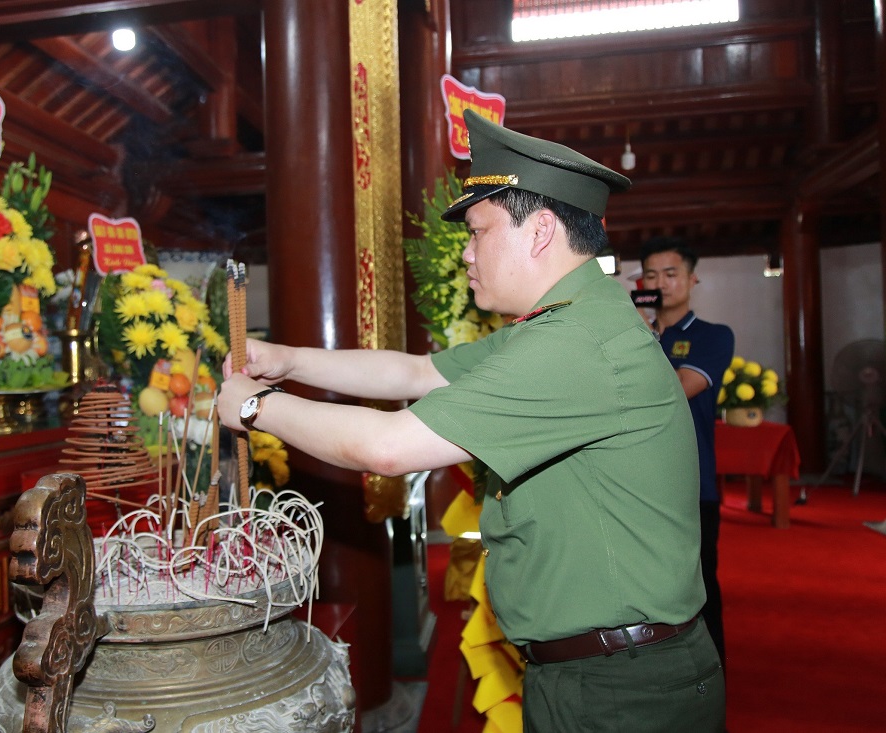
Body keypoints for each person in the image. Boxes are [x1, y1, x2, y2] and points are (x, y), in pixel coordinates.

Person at [220, 110, 725, 732]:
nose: (466, 253)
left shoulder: (576, 346)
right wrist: (287, 360)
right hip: (597, 668)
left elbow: (387, 447)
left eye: (479, 231)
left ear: (540, 232)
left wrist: (253, 407)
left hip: (621, 686)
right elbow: (412, 373)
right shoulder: (566, 322)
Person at [640, 236, 735, 668]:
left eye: (671, 273)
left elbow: (679, 390)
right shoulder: (634, 333)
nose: (662, 282)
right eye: (652, 275)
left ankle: (709, 700)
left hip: (691, 488)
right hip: (634, 488)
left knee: (698, 594)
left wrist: (635, 346)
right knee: (641, 595)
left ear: (692, 278)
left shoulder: (714, 336)